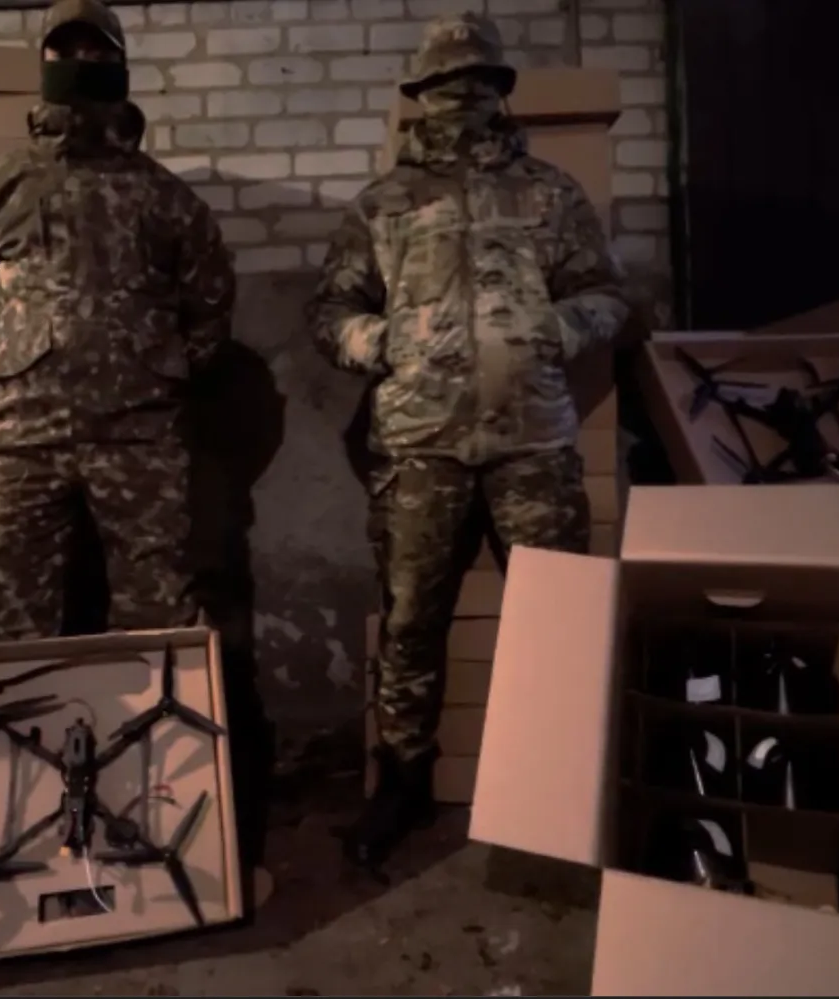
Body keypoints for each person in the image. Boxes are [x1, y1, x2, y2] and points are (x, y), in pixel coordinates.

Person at [307, 12, 635, 868]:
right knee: (411, 621)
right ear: (419, 95)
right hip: (419, 447)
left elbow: (607, 294)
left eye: (480, 81)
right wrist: (379, 341)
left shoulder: (549, 193)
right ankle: (403, 782)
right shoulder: (384, 204)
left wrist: (553, 329)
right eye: (448, 84)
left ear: (500, 91)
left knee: (558, 619)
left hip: (532, 443)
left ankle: (561, 787)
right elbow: (330, 311)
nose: (464, 96)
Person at [0, 0, 234, 641]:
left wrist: (159, 376)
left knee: (158, 615)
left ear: (120, 63)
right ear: (43, 63)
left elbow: (210, 306)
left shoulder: (165, 197)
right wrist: (5, 369)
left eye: (96, 51)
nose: (81, 61)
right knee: (17, 619)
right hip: (24, 436)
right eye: (65, 51)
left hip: (140, 438)